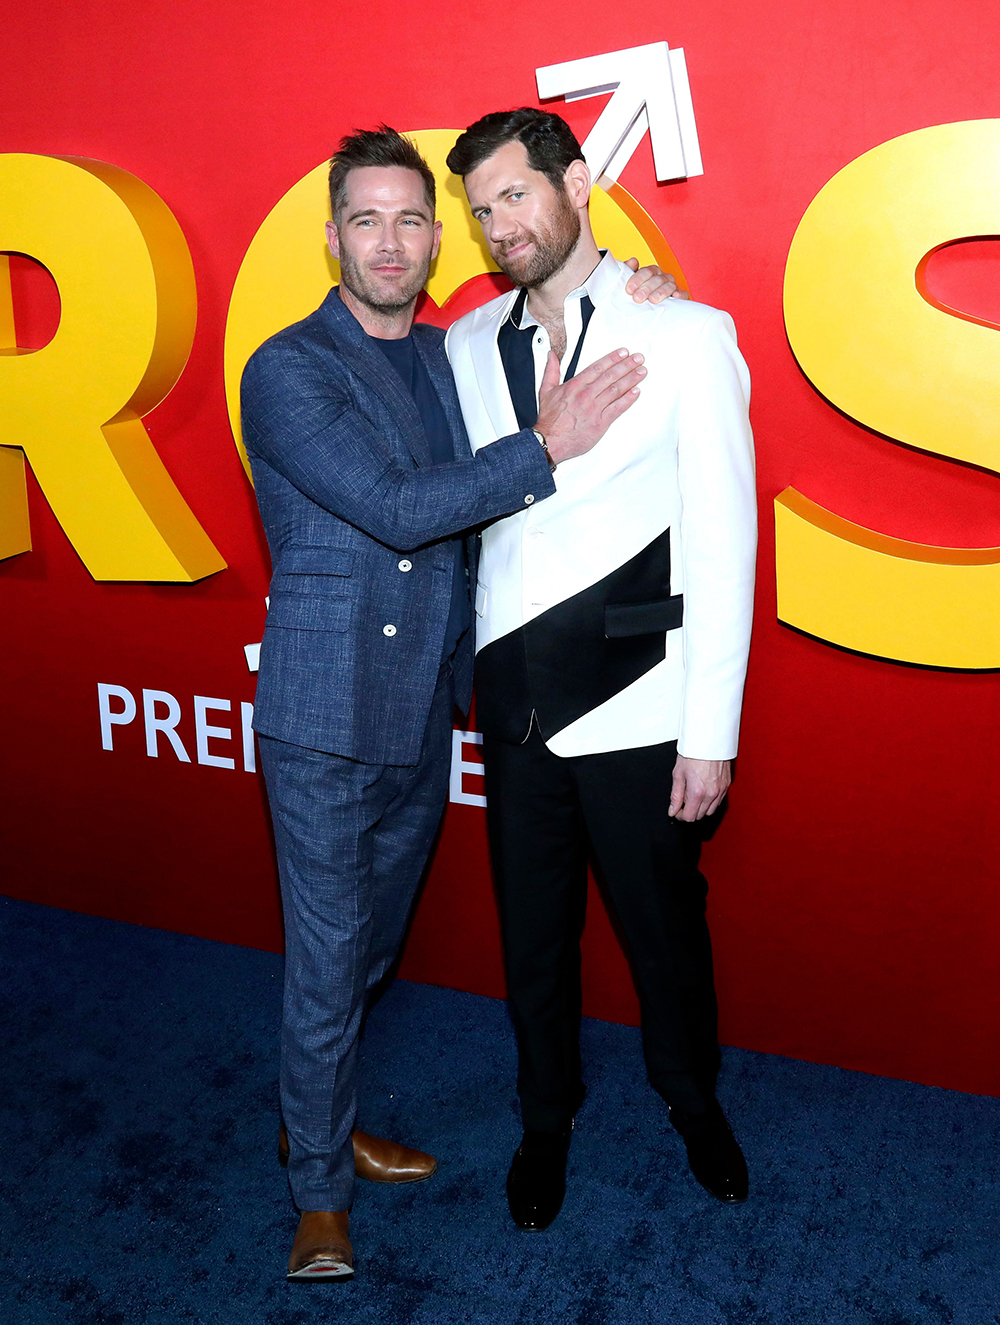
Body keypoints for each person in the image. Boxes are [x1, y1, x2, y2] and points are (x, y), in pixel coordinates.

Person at [240, 125, 677, 1279]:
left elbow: (554, 305)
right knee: (330, 961)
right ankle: (318, 1194)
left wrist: (641, 288)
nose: (391, 239)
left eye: (413, 218)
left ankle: (314, 1115)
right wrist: (547, 440)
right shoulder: (288, 367)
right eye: (367, 219)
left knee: (369, 950)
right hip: (324, 717)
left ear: (439, 243)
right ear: (332, 238)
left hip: (422, 710)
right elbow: (392, 504)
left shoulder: (447, 355)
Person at [444, 108, 757, 1230]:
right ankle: (545, 1117)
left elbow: (724, 536)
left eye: (515, 195)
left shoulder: (687, 332)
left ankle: (692, 1102)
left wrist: (708, 729)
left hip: (639, 694)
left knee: (665, 933)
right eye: (479, 209)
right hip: (514, 695)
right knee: (531, 933)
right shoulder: (465, 345)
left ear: (575, 182)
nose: (498, 225)